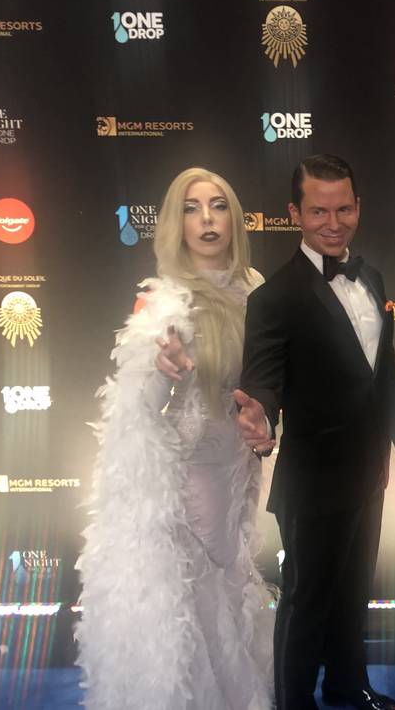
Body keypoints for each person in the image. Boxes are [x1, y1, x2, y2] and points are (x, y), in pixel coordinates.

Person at [75, 167, 276, 710]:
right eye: (191, 207)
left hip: (239, 469)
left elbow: (270, 388)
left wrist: (265, 430)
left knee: (232, 587)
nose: (207, 219)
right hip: (188, 478)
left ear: (234, 218)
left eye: (217, 205)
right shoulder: (162, 303)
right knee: (197, 601)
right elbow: (133, 412)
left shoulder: (258, 290)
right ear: (174, 222)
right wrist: (162, 372)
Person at [235, 154, 395, 710]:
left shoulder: (371, 277)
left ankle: (350, 686)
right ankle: (294, 703)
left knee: (352, 592)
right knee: (305, 600)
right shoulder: (273, 297)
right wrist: (259, 419)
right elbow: (263, 380)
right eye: (318, 210)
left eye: (343, 208)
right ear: (295, 212)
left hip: (370, 473)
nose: (333, 221)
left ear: (359, 207)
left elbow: (384, 373)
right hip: (313, 481)